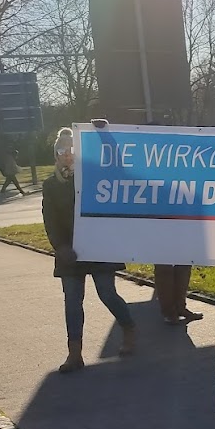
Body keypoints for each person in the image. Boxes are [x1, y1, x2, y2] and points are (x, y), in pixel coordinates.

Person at [42, 127, 136, 373]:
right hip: (69, 252)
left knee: (107, 294)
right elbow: (50, 220)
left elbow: (117, 168)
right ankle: (74, 353)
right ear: (56, 155)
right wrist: (60, 247)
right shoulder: (51, 185)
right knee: (72, 301)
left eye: (72, 149)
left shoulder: (93, 175)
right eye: (61, 150)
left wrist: (104, 135)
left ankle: (129, 329)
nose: (67, 154)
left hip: (98, 246)